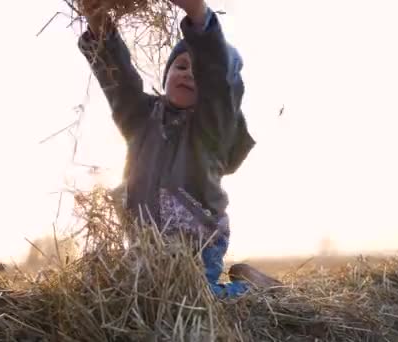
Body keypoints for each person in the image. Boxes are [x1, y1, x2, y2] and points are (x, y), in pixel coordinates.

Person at [77, 0, 280, 298]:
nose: (188, 74)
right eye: (181, 66)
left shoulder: (213, 129)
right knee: (125, 297)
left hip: (196, 247)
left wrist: (199, 17)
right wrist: (99, 27)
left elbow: (217, 78)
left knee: (197, 300)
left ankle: (253, 289)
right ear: (167, 74)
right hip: (145, 245)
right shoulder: (141, 118)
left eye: (197, 72)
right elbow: (119, 82)